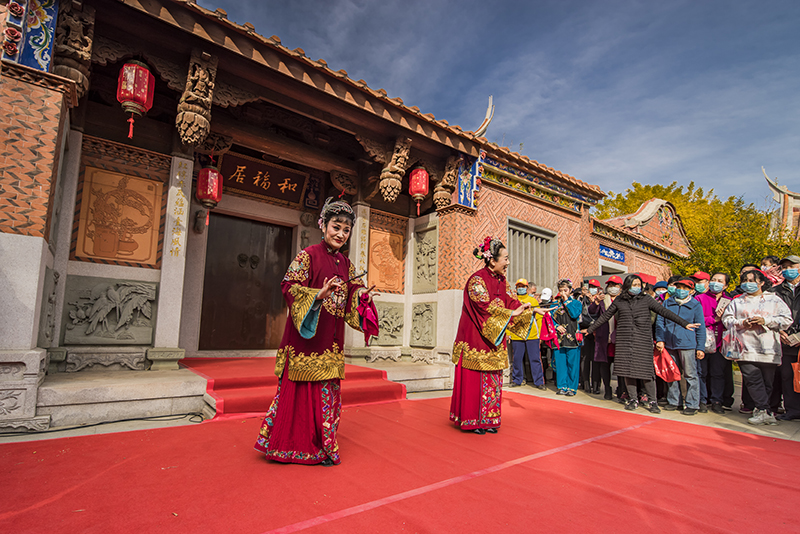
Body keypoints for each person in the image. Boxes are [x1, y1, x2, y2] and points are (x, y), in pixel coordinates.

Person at [254, 198, 379, 466]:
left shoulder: (347, 264)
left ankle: (323, 445)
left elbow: (353, 292)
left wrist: (363, 297)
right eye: (336, 227)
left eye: (346, 230)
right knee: (302, 393)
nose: (341, 234)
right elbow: (288, 286)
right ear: (323, 225)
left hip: (332, 342)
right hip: (306, 341)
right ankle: (292, 446)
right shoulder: (307, 255)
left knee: (327, 393)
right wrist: (317, 295)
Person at [449, 237, 534, 434]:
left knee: (492, 380)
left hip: (494, 338)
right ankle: (473, 420)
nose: (508, 262)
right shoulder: (477, 280)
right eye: (505, 258)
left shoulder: (502, 281)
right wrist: (511, 313)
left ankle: (489, 419)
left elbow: (509, 301)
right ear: (492, 260)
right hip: (475, 337)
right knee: (475, 379)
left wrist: (527, 309)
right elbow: (483, 308)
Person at [584, 274, 700, 413]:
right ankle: (633, 399)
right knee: (627, 371)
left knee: (646, 373)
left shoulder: (646, 299)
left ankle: (652, 401)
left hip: (642, 340)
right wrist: (590, 329)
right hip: (624, 341)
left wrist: (684, 323)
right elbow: (605, 316)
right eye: (634, 285)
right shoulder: (620, 300)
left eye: (639, 285)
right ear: (627, 286)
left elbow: (664, 312)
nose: (637, 287)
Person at [722, 269, 792, 425]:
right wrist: (742, 323)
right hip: (744, 348)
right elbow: (727, 320)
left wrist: (765, 321)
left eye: (752, 280)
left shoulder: (774, 300)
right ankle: (763, 410)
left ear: (761, 283)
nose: (748, 284)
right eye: (745, 280)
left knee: (767, 383)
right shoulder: (737, 301)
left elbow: (787, 320)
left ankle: (764, 411)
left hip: (768, 348)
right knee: (752, 380)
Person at [656, 278, 706, 415]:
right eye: (679, 287)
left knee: (690, 375)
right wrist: (660, 339)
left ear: (691, 291)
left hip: (687, 344)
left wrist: (700, 347)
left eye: (685, 288)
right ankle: (674, 401)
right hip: (669, 343)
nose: (681, 290)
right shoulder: (667, 302)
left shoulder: (695, 305)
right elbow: (660, 322)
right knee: (672, 373)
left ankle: (692, 404)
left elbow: (700, 327)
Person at [697, 272, 734, 414]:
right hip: (703, 342)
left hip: (721, 344)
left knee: (718, 373)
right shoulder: (699, 299)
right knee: (702, 372)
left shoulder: (730, 302)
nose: (715, 283)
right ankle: (702, 400)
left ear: (725, 286)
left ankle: (717, 400)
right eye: (713, 280)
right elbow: (696, 319)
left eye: (719, 281)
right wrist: (713, 319)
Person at [773, 255, 800, 421]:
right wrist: (779, 331)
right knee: (788, 376)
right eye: (785, 267)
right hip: (785, 340)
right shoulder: (775, 291)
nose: (788, 270)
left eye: (792, 266)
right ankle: (793, 410)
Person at [508, 278, 546, 389]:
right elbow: (509, 317)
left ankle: (539, 381)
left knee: (535, 359)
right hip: (517, 335)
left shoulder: (533, 301)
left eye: (523, 286)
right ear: (516, 288)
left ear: (527, 288)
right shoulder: (512, 301)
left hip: (532, 335)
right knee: (517, 359)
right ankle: (517, 380)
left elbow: (539, 318)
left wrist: (540, 333)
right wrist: (508, 333)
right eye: (519, 286)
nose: (521, 288)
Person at [551, 279, 583, 396]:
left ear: (570, 290)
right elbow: (549, 319)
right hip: (559, 337)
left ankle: (572, 387)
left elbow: (574, 314)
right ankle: (562, 386)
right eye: (561, 290)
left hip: (572, 337)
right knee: (560, 364)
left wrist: (566, 301)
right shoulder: (554, 305)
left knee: (572, 364)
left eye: (565, 290)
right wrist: (556, 326)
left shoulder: (576, 303)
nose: (563, 293)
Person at [691, 271, 712, 412]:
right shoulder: (693, 298)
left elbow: (699, 323)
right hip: (692, 340)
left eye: (700, 281)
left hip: (709, 339)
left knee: (708, 373)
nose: (697, 284)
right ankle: (698, 400)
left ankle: (708, 400)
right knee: (697, 372)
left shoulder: (706, 298)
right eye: (695, 281)